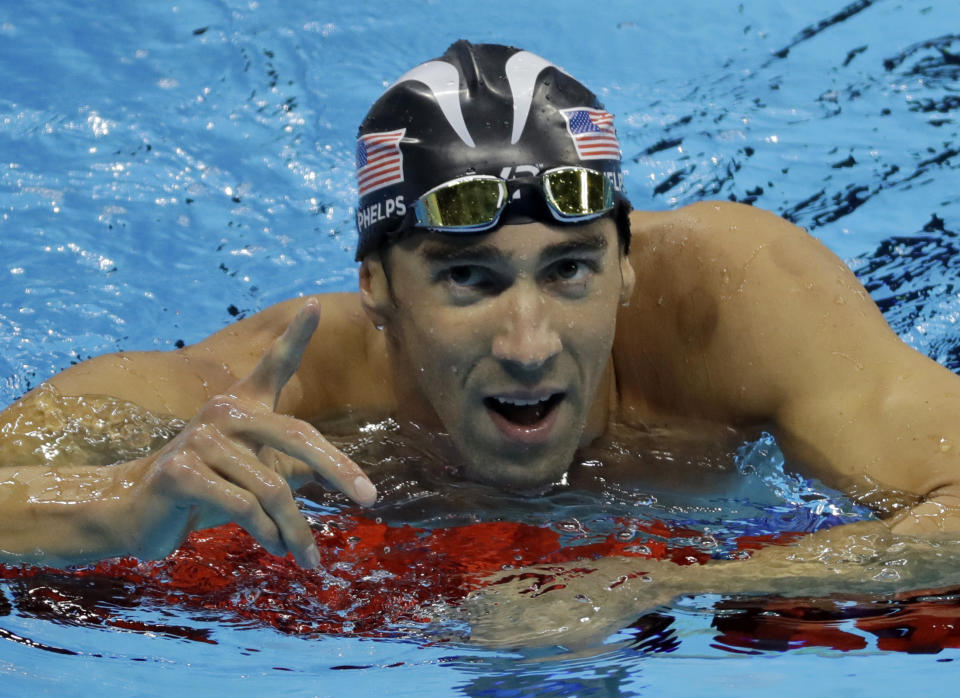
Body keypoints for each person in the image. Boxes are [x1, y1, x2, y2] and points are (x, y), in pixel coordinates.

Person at [2, 40, 960, 582]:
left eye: (571, 271)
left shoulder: (734, 308)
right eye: (470, 279)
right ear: (377, 285)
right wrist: (120, 502)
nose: (530, 343)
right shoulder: (283, 393)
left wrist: (668, 584)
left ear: (626, 264)